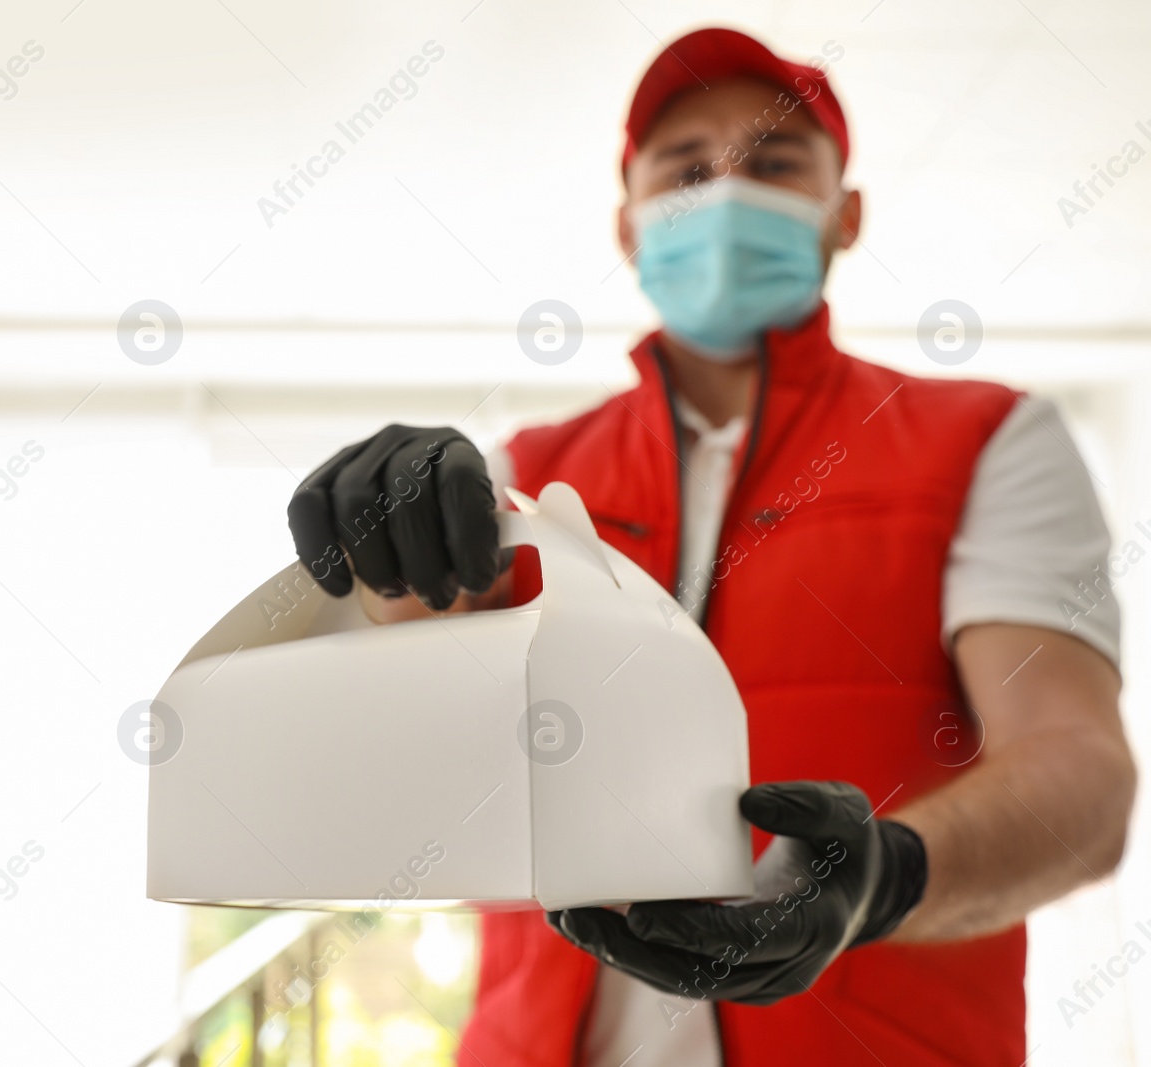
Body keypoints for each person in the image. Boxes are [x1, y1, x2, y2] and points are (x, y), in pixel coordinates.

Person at [284, 26, 1137, 1067]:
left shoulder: (987, 441)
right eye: (685, 168)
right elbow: (406, 767)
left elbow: (1079, 774)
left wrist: (887, 876)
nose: (726, 193)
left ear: (845, 212)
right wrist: (377, 564)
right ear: (629, 224)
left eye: (774, 163)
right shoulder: (521, 477)